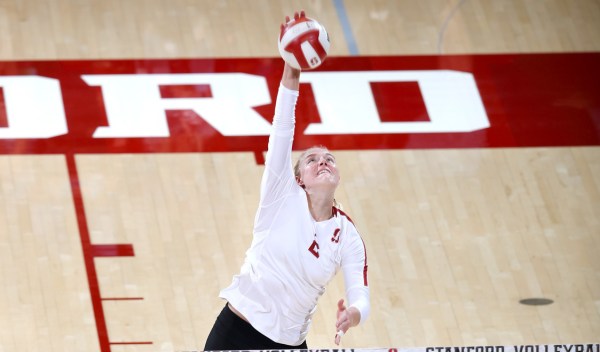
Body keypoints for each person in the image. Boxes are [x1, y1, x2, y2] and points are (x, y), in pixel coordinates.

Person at [204, 11, 370, 350]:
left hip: (290, 344)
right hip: (238, 331)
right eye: (312, 159)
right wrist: (292, 65)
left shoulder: (348, 236)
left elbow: (360, 296)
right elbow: (283, 124)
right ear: (299, 179)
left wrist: (351, 315)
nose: (323, 161)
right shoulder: (281, 192)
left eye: (329, 159)